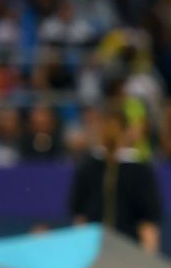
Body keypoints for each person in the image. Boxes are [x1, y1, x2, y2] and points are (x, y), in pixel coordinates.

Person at [67, 104, 162, 253]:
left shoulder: (140, 172)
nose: (111, 134)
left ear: (126, 131)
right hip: (94, 252)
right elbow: (80, 218)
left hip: (130, 252)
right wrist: (80, 253)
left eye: (115, 129)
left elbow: (148, 223)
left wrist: (148, 260)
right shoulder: (88, 168)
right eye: (107, 128)